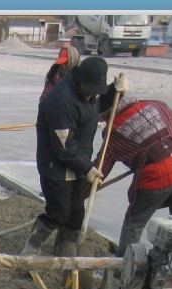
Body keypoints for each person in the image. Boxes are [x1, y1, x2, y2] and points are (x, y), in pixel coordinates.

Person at [21, 56, 127, 258]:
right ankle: (31, 249)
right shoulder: (61, 101)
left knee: (76, 214)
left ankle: (65, 254)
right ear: (79, 80)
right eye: (90, 90)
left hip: (78, 161)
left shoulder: (87, 93)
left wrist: (115, 91)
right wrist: (86, 168)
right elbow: (64, 146)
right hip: (56, 166)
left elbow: (97, 106)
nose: (92, 95)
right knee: (59, 211)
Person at [91, 95, 172, 255]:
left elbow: (100, 169)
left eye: (102, 118)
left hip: (158, 174)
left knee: (134, 222)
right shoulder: (156, 104)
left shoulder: (113, 132)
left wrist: (82, 193)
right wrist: (162, 142)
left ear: (106, 114)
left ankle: (126, 264)